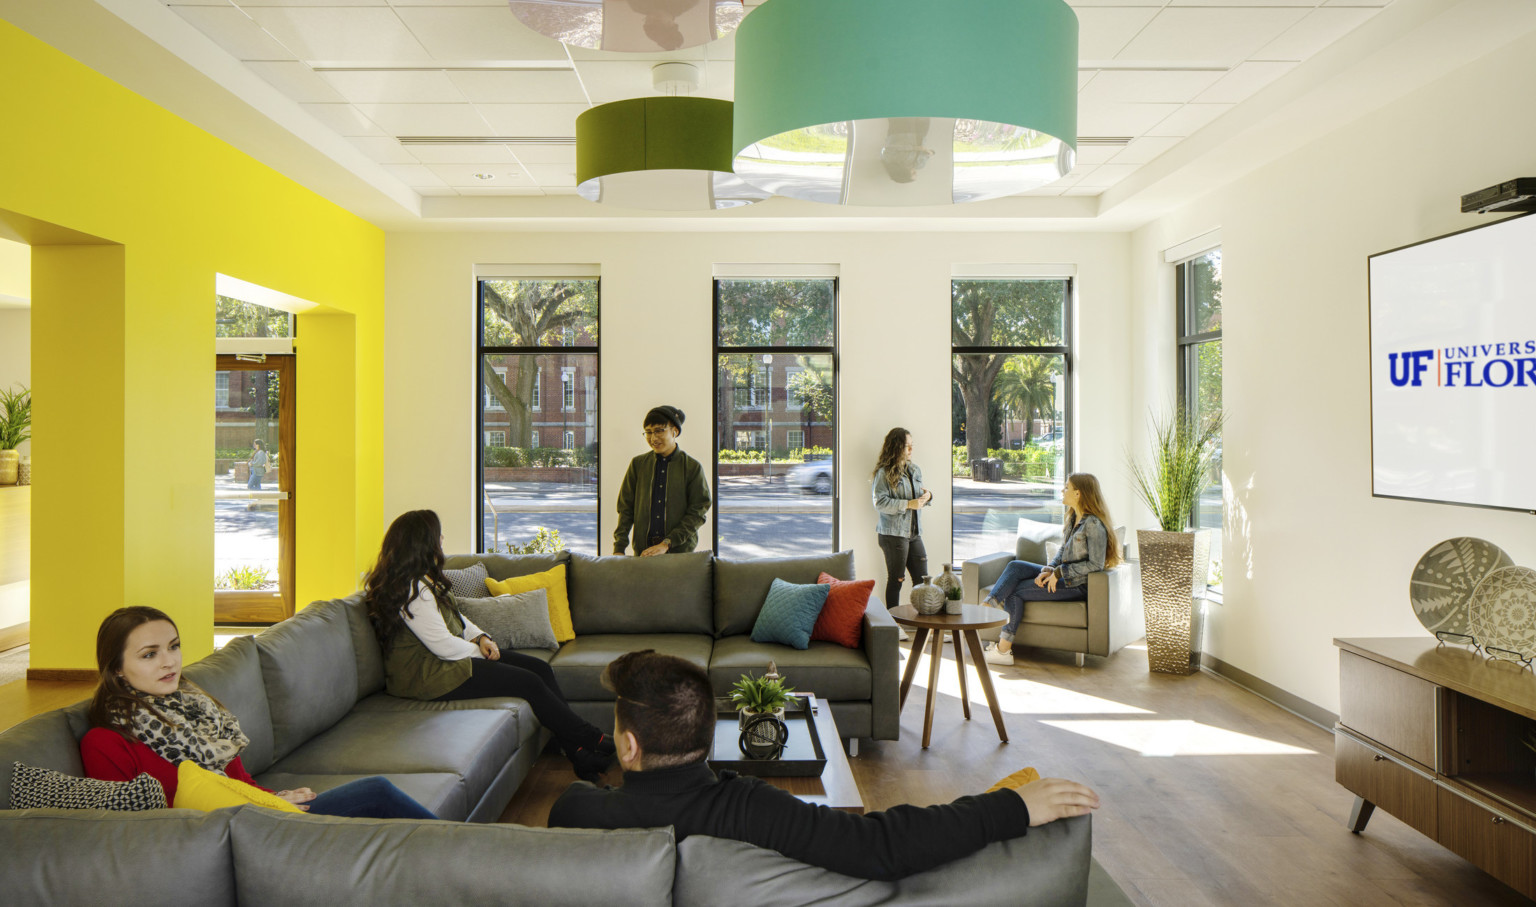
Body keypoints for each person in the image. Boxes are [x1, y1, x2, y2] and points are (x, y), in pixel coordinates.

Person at [549, 650, 1099, 881]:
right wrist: (1010, 806)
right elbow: (883, 845)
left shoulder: (574, 815)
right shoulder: (750, 810)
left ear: (627, 746)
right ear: (706, 734)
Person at [80, 606, 437, 818]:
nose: (169, 661)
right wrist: (264, 810)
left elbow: (243, 785)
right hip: (228, 836)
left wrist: (274, 799)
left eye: (173, 647)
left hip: (258, 816)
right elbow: (130, 830)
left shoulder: (197, 708)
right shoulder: (106, 742)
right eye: (149, 654)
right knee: (375, 794)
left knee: (379, 813)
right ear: (115, 670)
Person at [364, 509, 615, 782]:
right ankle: (593, 738)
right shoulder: (411, 590)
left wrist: (482, 638)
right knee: (528, 683)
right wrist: (482, 655)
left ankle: (578, 752)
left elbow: (458, 618)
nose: (443, 539)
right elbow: (443, 647)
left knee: (539, 668)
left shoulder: (424, 579)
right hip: (428, 675)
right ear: (422, 543)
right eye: (438, 535)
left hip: (448, 660)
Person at [982, 473, 1122, 666]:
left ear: (1078, 493)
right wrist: (1048, 569)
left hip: (1077, 584)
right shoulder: (1073, 517)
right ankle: (989, 605)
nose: (1062, 490)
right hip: (1063, 576)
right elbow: (1063, 551)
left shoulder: (1094, 525)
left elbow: (1095, 565)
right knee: (1015, 566)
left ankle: (1003, 650)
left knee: (1013, 591)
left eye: (1066, 487)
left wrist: (1059, 573)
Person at [613, 405, 711, 556]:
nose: (653, 438)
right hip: (643, 552)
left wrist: (667, 543)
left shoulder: (692, 467)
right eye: (648, 432)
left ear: (675, 431)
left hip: (680, 553)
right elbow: (625, 509)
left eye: (659, 431)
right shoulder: (638, 465)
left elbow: (697, 512)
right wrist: (619, 548)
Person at [871, 427, 931, 611]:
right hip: (893, 534)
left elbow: (918, 496)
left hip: (914, 533)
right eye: (907, 446)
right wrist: (908, 504)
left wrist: (928, 496)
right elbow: (879, 502)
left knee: (923, 581)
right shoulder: (884, 473)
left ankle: (928, 625)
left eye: (912, 446)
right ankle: (893, 625)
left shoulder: (914, 470)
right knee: (897, 579)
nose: (911, 450)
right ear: (896, 447)